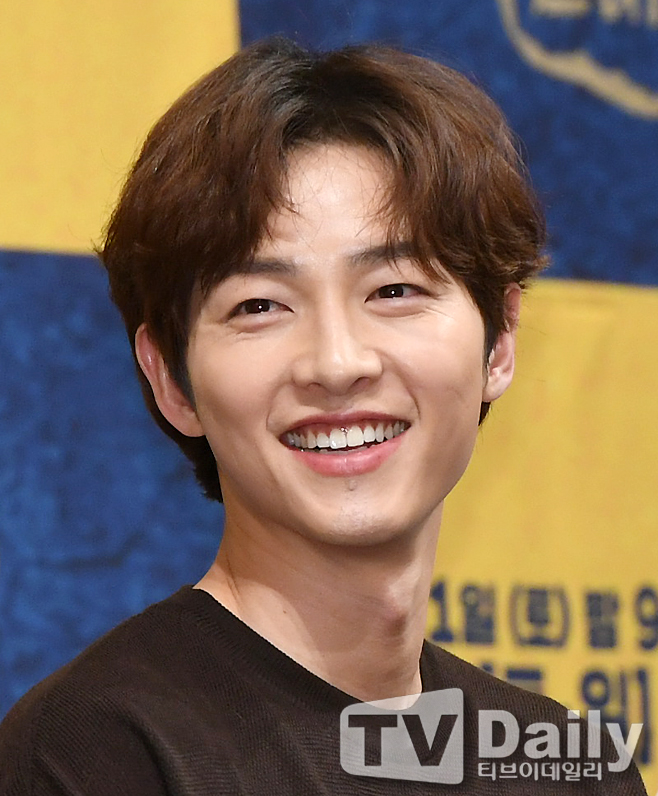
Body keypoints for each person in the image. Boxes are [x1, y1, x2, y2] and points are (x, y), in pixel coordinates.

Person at [0, 37, 647, 795]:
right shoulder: (97, 754)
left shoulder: (569, 769)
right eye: (260, 306)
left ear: (499, 341)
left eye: (395, 290)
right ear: (171, 378)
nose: (338, 363)